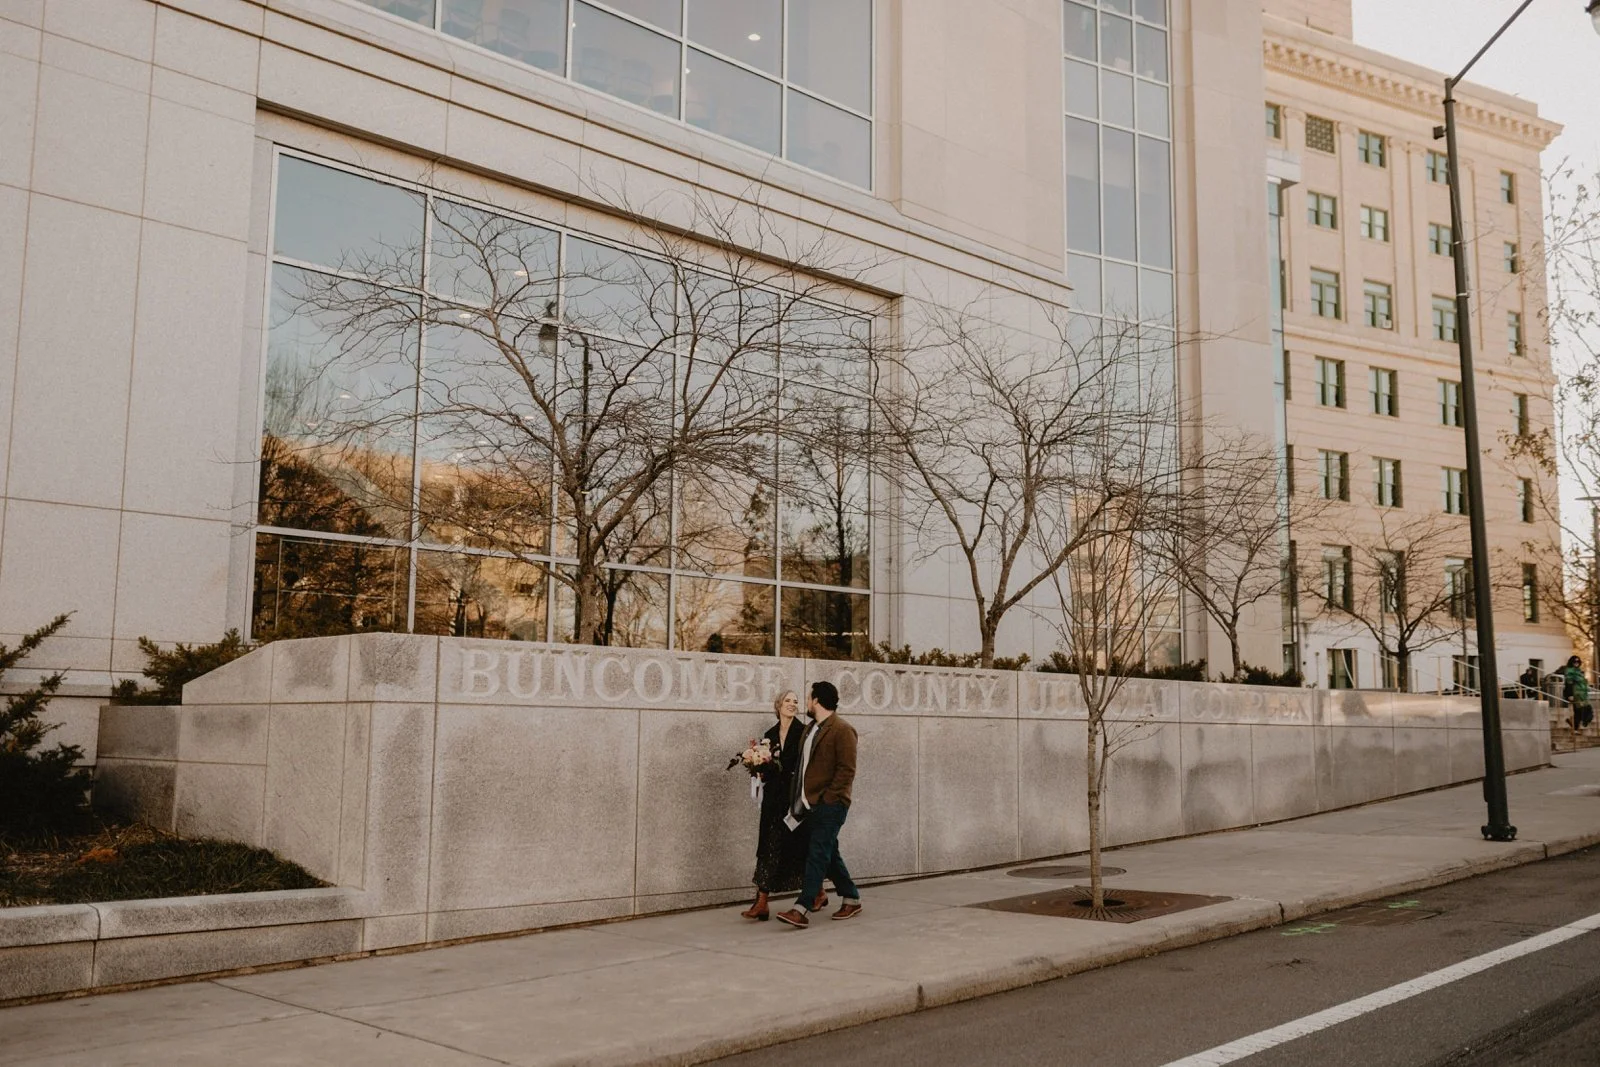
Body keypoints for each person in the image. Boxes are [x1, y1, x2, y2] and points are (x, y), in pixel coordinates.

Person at [775, 681, 863, 928]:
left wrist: (829, 799)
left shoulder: (843, 730)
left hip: (831, 805)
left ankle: (802, 907)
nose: (805, 702)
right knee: (828, 853)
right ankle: (852, 898)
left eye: (808, 698)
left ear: (816, 700)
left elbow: (846, 770)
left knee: (817, 853)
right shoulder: (811, 728)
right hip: (809, 804)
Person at [739, 691, 826, 920]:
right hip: (773, 801)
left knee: (800, 847)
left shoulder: (804, 732)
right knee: (768, 847)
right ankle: (761, 902)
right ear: (778, 705)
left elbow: (810, 764)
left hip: (795, 798)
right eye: (788, 700)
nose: (792, 704)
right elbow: (768, 768)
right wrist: (758, 767)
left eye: (795, 701)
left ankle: (818, 892)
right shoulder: (769, 735)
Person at [1563, 656, 1594, 730]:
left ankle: (1575, 724)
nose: (1576, 663)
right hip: (1576, 694)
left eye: (1578, 661)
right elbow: (1568, 683)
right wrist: (1570, 695)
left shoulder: (1579, 671)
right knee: (1581, 710)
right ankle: (1576, 724)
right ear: (1571, 662)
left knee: (1584, 710)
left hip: (1583, 694)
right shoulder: (1570, 671)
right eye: (1574, 662)